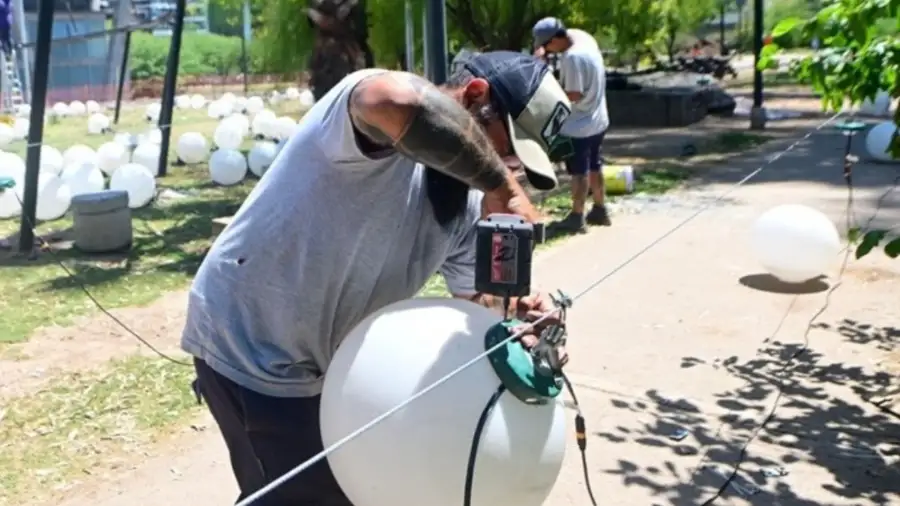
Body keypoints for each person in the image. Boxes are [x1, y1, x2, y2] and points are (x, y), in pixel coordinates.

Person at [181, 50, 572, 505]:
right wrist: (502, 186)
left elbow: (476, 304)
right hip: (253, 341)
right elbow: (392, 100)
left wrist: (513, 320)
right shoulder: (366, 126)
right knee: (302, 494)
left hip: (331, 363)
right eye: (505, 151)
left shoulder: (465, 209)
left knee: (354, 486)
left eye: (515, 163)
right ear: (475, 95)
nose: (506, 166)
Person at [532, 17, 611, 231]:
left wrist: (546, 78)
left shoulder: (572, 58)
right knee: (595, 164)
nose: (549, 51)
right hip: (599, 117)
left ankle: (577, 217)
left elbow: (574, 94)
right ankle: (600, 209)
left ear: (556, 39)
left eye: (548, 46)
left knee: (580, 171)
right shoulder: (582, 37)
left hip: (580, 125)